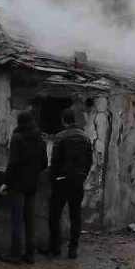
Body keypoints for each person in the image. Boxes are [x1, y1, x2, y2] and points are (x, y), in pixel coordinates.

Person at [42, 108, 93, 260]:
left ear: (63, 120)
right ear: (74, 119)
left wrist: (54, 179)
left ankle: (55, 247)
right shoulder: (85, 138)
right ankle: (73, 248)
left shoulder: (60, 137)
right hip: (77, 182)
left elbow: (54, 162)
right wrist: (83, 176)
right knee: (75, 215)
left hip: (61, 182)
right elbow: (89, 162)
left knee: (54, 215)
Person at [0, 111, 47, 265]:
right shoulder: (39, 138)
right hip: (32, 185)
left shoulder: (17, 138)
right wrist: (32, 174)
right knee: (29, 220)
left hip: (17, 185)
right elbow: (44, 163)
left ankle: (15, 254)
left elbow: (13, 163)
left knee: (17, 220)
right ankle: (30, 254)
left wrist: (6, 182)